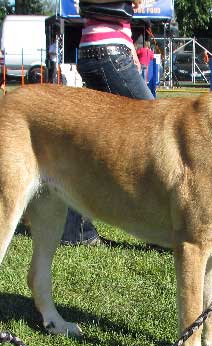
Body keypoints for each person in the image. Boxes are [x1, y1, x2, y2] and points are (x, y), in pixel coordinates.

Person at [61, 0, 154, 245]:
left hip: (100, 48)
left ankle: (77, 231)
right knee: (158, 130)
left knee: (91, 147)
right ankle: (161, 231)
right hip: (108, 52)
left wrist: (130, 47)